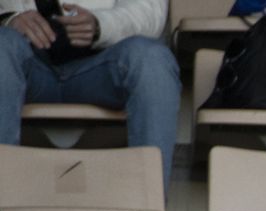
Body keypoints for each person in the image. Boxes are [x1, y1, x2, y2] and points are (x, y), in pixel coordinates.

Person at [0, 0, 181, 185]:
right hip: (27, 62)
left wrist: (99, 24)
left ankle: (148, 205)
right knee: (2, 44)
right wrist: (9, 19)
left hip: (104, 63)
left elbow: (149, 13)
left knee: (152, 59)